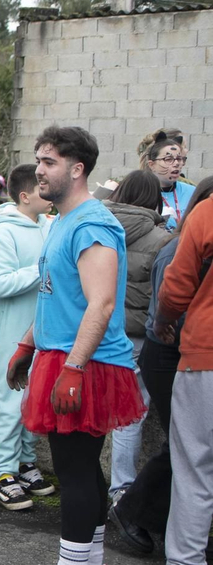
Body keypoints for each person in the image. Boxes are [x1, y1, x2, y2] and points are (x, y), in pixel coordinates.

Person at [6, 126, 146, 565]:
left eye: (49, 162)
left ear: (77, 169)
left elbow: (102, 302)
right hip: (66, 357)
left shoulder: (91, 224)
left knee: (75, 470)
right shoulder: (64, 220)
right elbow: (57, 295)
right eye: (39, 161)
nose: (39, 170)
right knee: (82, 467)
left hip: (86, 364)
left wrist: (74, 368)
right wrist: (27, 343)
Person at [112, 175, 213, 558]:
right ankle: (133, 510)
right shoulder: (172, 249)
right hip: (169, 352)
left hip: (183, 350)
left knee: (188, 449)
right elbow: (165, 309)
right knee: (185, 449)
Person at [147, 188, 213, 565]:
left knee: (193, 468)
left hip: (205, 354)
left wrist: (167, 321)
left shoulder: (206, 212)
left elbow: (176, 285)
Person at [0, 163, 55, 511]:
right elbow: (0, 285)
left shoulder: (47, 224)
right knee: (8, 399)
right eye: (43, 187)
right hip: (13, 329)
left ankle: (26, 463)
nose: (50, 191)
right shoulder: (3, 232)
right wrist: (43, 266)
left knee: (34, 397)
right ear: (25, 196)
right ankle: (3, 473)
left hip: (42, 328)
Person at [104, 170, 174, 500]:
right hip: (138, 337)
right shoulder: (162, 239)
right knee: (130, 416)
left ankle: (101, 484)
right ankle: (123, 490)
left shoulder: (99, 225)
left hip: (101, 331)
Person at [140, 128, 194, 231]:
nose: (176, 164)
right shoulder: (140, 193)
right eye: (168, 159)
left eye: (179, 159)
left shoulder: (193, 192)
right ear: (152, 164)